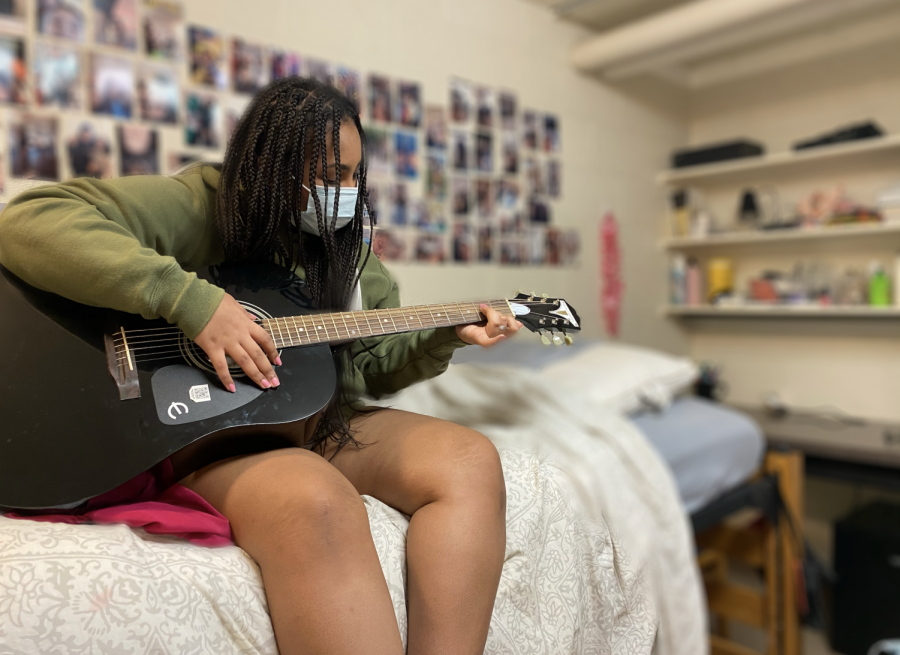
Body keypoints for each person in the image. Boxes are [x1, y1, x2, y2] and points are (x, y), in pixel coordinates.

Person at [0, 77, 522, 655]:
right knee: (315, 499)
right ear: (270, 166)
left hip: (312, 419)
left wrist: (446, 337)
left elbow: (370, 369)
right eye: (328, 176)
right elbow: (33, 219)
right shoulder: (204, 203)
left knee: (471, 459)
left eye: (354, 176)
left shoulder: (352, 255)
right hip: (202, 437)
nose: (345, 193)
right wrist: (193, 304)